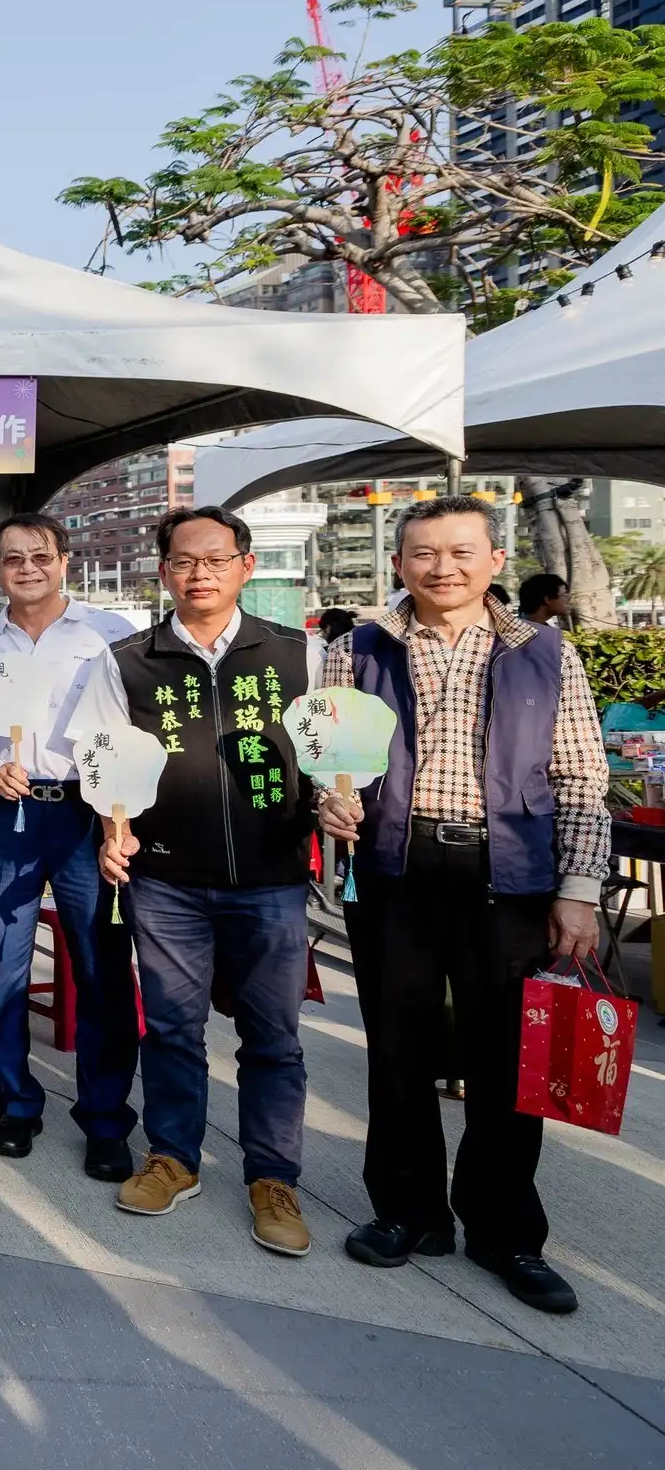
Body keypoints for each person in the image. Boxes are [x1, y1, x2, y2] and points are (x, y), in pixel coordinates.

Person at [319, 497, 608, 1314]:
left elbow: (582, 780)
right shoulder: (358, 650)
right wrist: (329, 802)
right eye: (422, 553)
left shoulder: (546, 654)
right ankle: (407, 1213)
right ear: (399, 563)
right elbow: (331, 756)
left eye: (459, 551)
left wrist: (579, 892)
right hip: (396, 875)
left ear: (492, 559)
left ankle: (505, 1230)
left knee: (506, 1064)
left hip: (508, 878)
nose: (441, 567)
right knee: (398, 1053)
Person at [68, 508, 326, 1256]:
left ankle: (272, 1178)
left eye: (216, 559)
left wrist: (339, 798)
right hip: (167, 880)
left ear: (246, 566)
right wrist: (115, 832)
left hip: (271, 879)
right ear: (164, 573)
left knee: (273, 1038)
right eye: (184, 561)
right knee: (174, 1028)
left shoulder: (298, 655)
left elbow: (328, 747)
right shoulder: (125, 662)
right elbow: (103, 758)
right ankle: (174, 1157)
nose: (200, 573)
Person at [0, 513, 140, 1177]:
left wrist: (123, 818)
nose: (27, 568)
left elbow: (134, 730)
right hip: (7, 814)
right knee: (2, 959)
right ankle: (14, 1103)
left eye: (40, 556)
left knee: (101, 966)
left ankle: (105, 1118)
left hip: (88, 816)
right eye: (12, 559)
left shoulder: (110, 635)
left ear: (65, 560)